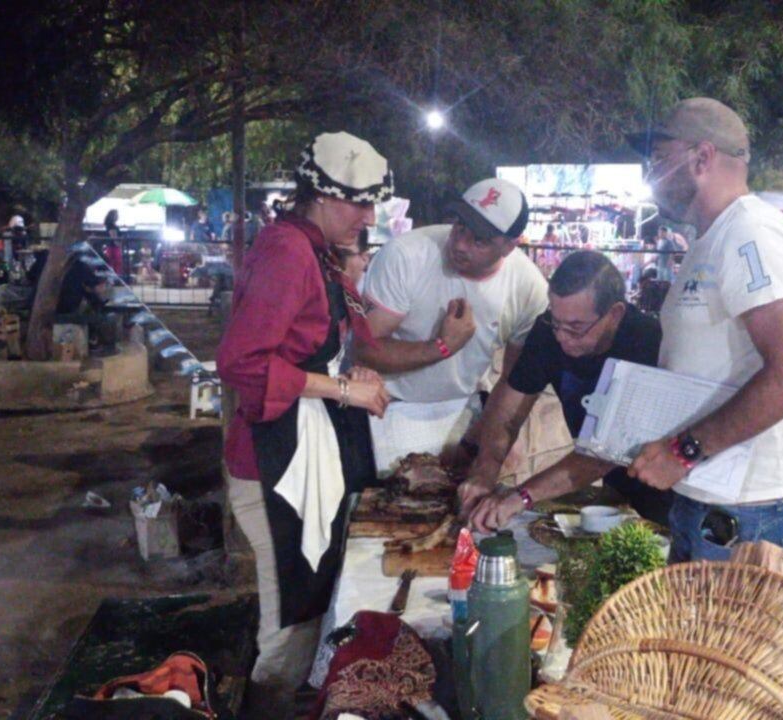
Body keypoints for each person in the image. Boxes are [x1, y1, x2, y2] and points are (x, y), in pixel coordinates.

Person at [216, 132, 393, 690]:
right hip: (271, 463)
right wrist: (341, 390)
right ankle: (267, 704)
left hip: (298, 452)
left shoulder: (312, 248)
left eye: (372, 203)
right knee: (290, 619)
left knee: (306, 605)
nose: (367, 217)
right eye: (358, 202)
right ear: (319, 194)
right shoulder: (288, 251)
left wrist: (348, 375)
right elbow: (241, 362)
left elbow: (316, 343)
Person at [624, 97, 783, 587]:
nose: (649, 172)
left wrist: (685, 451)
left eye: (658, 157)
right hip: (711, 497)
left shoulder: (751, 235)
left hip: (751, 511)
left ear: (701, 158)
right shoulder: (710, 240)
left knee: (728, 663)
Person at [457, 251, 672, 531]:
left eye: (576, 328)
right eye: (556, 322)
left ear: (614, 314)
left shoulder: (645, 340)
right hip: (612, 486)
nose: (561, 337)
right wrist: (486, 470)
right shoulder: (548, 331)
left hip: (663, 486)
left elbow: (602, 455)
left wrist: (520, 497)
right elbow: (506, 415)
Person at [352, 178, 548, 473]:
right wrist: (441, 347)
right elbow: (364, 348)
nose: (459, 245)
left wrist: (487, 438)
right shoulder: (406, 255)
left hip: (462, 409)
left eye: (479, 240)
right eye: (459, 227)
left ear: (509, 246)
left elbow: (514, 379)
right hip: (387, 405)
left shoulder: (528, 287)